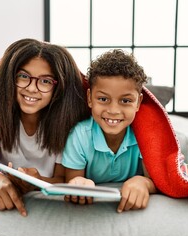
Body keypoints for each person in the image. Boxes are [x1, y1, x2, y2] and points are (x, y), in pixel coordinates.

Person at [0, 38, 90, 217]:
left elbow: (63, 179)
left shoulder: (68, 126)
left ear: (58, 87)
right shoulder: (0, 118)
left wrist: (37, 181)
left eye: (45, 81)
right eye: (23, 76)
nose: (31, 88)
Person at [62, 49, 157, 213]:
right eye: (103, 99)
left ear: (138, 102)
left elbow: (157, 179)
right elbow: (72, 179)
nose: (113, 110)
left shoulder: (146, 136)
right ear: (90, 98)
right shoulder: (79, 135)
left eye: (125, 100)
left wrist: (142, 182)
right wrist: (79, 181)